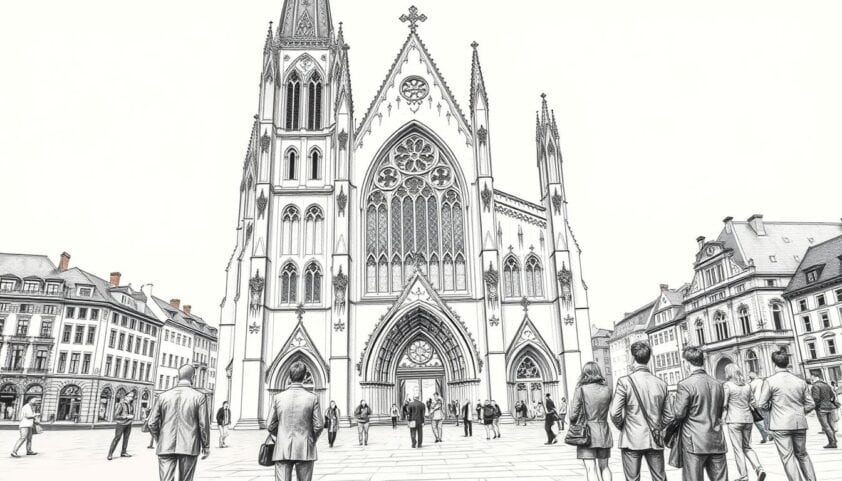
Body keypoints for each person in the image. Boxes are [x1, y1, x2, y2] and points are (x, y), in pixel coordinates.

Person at [663, 347, 727, 481]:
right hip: (717, 440)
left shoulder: (685, 385)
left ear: (687, 363)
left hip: (694, 441)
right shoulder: (718, 384)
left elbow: (679, 414)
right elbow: (720, 412)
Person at [609, 341, 667, 481]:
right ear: (648, 358)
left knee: (632, 479)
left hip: (631, 439)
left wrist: (623, 426)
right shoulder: (661, 383)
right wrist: (658, 426)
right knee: (659, 478)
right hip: (655, 438)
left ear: (632, 358)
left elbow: (614, 412)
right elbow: (669, 415)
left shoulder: (624, 382)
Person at [758, 348, 818, 481]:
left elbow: (761, 404)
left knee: (787, 457)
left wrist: (772, 408)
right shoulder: (800, 381)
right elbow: (811, 404)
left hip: (780, 424)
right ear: (788, 363)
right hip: (799, 423)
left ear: (774, 364)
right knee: (802, 454)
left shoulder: (770, 381)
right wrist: (800, 412)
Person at [147, 365, 211, 481]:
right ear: (193, 377)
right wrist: (206, 446)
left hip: (165, 445)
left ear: (178, 377)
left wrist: (159, 439)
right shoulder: (200, 397)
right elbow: (203, 425)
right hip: (189, 446)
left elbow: (151, 423)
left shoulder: (162, 396)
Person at [266, 361, 323, 481]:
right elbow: (319, 425)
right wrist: (311, 439)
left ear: (289, 376)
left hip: (282, 448)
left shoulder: (278, 398)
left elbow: (270, 425)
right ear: (304, 376)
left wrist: (281, 435)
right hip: (305, 447)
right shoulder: (312, 398)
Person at [569, 361, 613, 481]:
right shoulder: (607, 390)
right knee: (605, 467)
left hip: (586, 434)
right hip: (604, 432)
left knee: (590, 469)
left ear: (585, 373)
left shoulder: (581, 390)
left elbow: (573, 416)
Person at [722, 363, 766, 481]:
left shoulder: (727, 385)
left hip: (734, 420)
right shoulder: (747, 385)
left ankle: (744, 476)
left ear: (728, 372)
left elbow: (724, 404)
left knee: (738, 449)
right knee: (747, 447)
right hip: (748, 419)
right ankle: (759, 468)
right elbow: (753, 402)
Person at [810, 373, 839, 448]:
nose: (811, 379)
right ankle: (834, 440)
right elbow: (832, 395)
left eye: (811, 377)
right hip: (830, 407)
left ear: (815, 377)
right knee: (830, 425)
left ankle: (832, 442)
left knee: (826, 426)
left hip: (821, 408)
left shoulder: (815, 386)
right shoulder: (826, 385)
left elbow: (816, 398)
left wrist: (816, 406)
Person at [107, 391, 136, 460]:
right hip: (120, 424)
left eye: (132, 397)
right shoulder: (121, 404)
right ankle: (110, 454)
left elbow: (132, 413)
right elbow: (116, 415)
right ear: (126, 397)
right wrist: (126, 417)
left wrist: (132, 416)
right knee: (117, 438)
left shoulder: (131, 405)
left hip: (128, 424)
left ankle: (123, 452)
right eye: (130, 396)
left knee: (126, 438)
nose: (131, 398)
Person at [747, 371, 769, 443]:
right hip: (764, 401)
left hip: (756, 403)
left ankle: (765, 435)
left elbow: (750, 393)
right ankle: (768, 434)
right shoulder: (762, 381)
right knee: (764, 419)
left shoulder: (751, 384)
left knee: (758, 419)